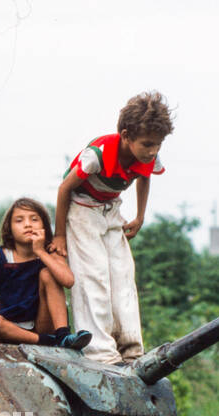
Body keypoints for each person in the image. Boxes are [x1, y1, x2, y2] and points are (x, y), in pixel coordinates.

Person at [50, 92, 172, 366]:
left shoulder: (149, 154)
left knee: (122, 275)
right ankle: (101, 352)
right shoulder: (99, 154)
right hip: (82, 210)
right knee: (93, 277)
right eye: (148, 144)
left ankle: (131, 350)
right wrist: (59, 235)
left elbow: (145, 177)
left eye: (158, 143)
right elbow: (64, 189)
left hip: (110, 209)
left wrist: (140, 216)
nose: (152, 150)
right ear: (126, 135)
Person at [0, 198, 91, 349]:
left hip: (43, 325)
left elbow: (68, 281)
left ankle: (62, 336)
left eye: (34, 219)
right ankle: (47, 342)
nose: (28, 224)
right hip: (11, 329)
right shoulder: (0, 257)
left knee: (48, 274)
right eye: (19, 220)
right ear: (9, 228)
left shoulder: (50, 253)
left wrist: (40, 252)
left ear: (44, 226)